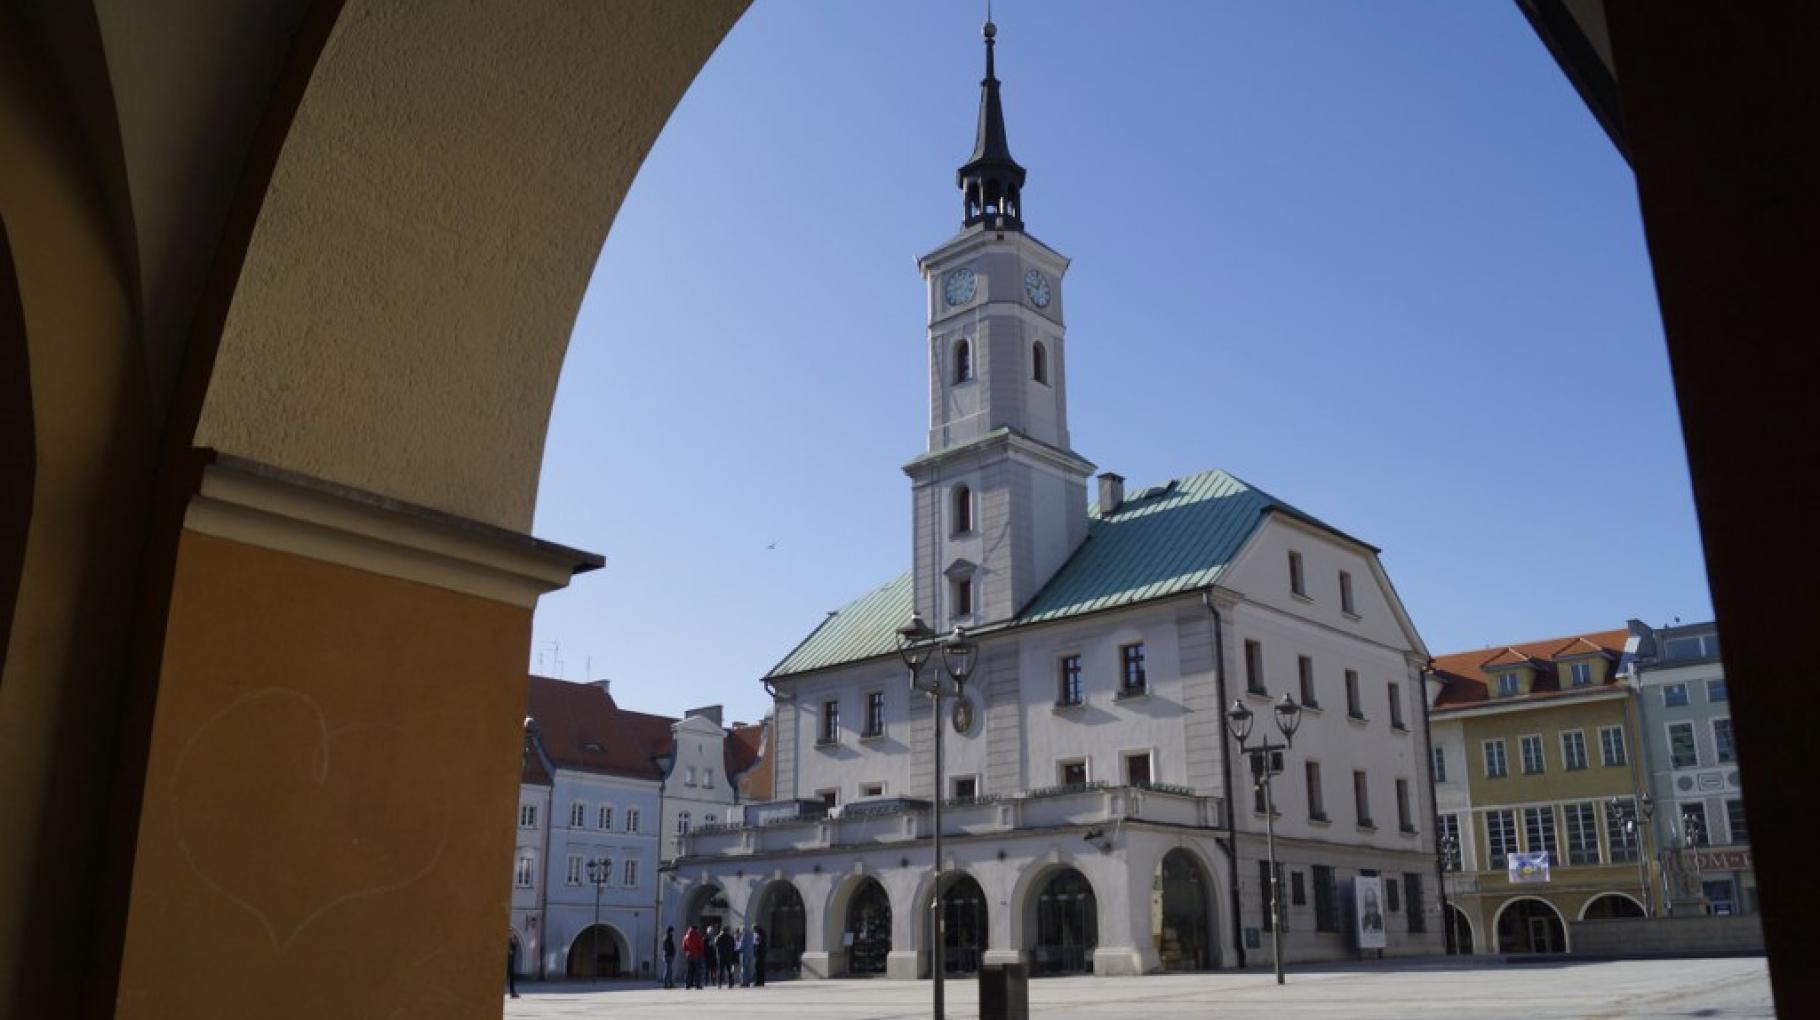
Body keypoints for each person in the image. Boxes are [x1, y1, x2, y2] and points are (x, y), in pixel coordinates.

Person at [682, 924, 704, 989]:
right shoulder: (698, 936)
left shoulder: (686, 936)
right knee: (697, 971)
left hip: (689, 955)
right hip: (697, 955)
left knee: (689, 970)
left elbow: (684, 946)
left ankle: (687, 984)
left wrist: (687, 952)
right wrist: (701, 952)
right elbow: (701, 945)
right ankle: (697, 984)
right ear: (696, 929)